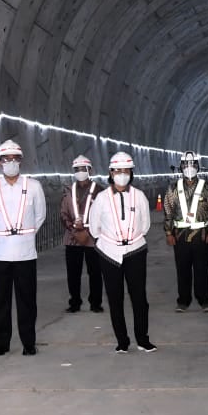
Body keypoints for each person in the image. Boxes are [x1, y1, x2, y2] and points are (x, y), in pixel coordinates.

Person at [0, 139, 47, 356]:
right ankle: (2, 343)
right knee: (1, 301)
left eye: (15, 158)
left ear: (21, 161)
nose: (11, 162)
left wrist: (26, 235)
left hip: (25, 253)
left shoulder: (33, 186)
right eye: (6, 159)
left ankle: (29, 343)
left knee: (27, 300)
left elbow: (40, 216)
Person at [88, 151, 155, 353]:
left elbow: (145, 225)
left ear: (131, 173)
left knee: (139, 298)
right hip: (109, 253)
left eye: (126, 171)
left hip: (135, 250)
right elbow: (94, 228)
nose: (122, 175)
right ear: (111, 172)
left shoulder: (139, 196)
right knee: (115, 298)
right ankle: (122, 341)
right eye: (118, 171)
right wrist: (111, 241)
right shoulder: (101, 198)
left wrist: (131, 238)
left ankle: (142, 339)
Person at [163, 151, 208, 313]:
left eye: (192, 164)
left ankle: (204, 300)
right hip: (180, 235)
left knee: (201, 269)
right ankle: (183, 301)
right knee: (182, 269)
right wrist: (168, 233)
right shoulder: (173, 188)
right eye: (186, 164)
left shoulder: (207, 187)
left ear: (198, 166)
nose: (189, 167)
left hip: (201, 235)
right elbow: (168, 211)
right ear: (180, 166)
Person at [60, 154, 103, 314]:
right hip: (72, 238)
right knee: (73, 273)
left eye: (83, 169)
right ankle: (75, 302)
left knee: (95, 272)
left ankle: (96, 303)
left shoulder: (99, 191)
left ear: (90, 170)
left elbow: (103, 214)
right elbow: (63, 213)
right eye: (77, 169)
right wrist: (74, 229)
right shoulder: (68, 191)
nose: (80, 172)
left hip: (93, 239)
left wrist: (89, 231)